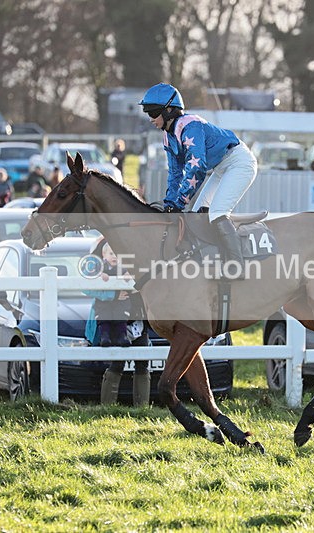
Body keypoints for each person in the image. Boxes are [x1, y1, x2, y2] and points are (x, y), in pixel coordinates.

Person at [139, 82, 257, 279]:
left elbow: (197, 168)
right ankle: (211, 259)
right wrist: (170, 204)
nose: (150, 119)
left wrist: (179, 202)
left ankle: (237, 266)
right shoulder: (168, 138)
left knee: (218, 213)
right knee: (196, 215)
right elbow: (175, 174)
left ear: (169, 111)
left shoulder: (190, 125)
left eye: (152, 113)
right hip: (221, 167)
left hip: (239, 162)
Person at [84, 239, 151, 406]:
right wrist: (113, 294)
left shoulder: (133, 252)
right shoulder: (100, 251)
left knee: (143, 361)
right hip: (113, 319)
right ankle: (108, 407)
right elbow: (87, 286)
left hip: (137, 317)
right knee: (117, 362)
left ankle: (142, 407)